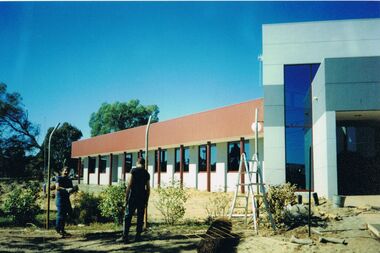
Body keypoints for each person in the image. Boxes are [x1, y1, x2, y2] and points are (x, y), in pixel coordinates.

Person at [120, 157, 150, 243]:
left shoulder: (133, 171)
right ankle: (138, 236)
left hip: (133, 197)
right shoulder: (146, 173)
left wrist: (126, 197)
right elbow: (148, 189)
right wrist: (146, 200)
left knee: (128, 216)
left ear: (137, 163)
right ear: (144, 164)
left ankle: (125, 236)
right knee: (140, 217)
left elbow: (129, 185)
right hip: (142, 198)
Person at [55, 166, 75, 238]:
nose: (66, 172)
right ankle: (58, 229)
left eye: (67, 171)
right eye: (65, 171)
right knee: (60, 214)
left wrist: (74, 189)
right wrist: (66, 189)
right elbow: (57, 187)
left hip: (66, 199)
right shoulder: (59, 178)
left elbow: (71, 189)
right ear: (62, 171)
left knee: (65, 215)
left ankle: (62, 230)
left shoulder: (69, 180)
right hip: (60, 199)